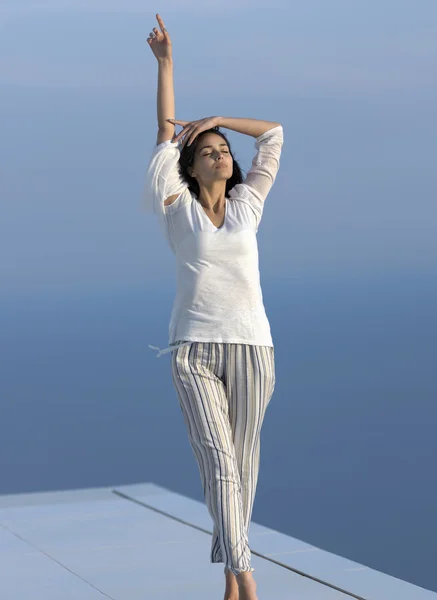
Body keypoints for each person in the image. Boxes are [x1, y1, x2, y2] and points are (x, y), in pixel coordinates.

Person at [143, 14, 283, 600]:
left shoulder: (249, 205)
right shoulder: (177, 206)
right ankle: (249, 583)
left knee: (242, 472)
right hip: (194, 349)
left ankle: (228, 582)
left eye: (225, 149)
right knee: (219, 465)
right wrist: (167, 66)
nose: (222, 154)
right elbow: (164, 137)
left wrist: (221, 117)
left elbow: (273, 133)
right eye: (209, 150)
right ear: (191, 164)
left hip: (253, 348)